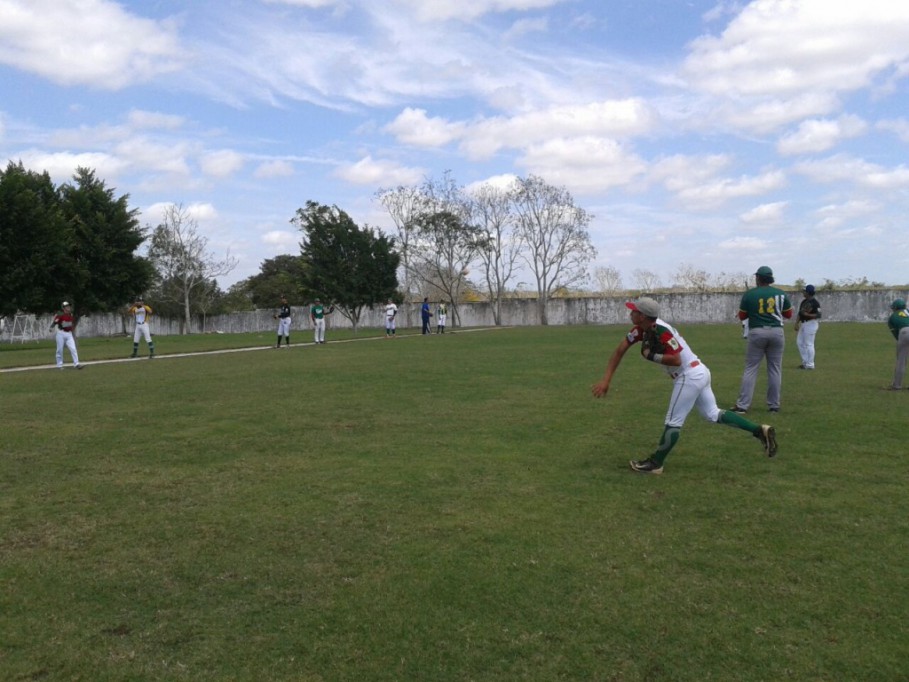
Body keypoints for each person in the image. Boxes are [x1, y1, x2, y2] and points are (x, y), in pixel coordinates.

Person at [591, 297, 777, 474]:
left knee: (673, 421)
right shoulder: (641, 329)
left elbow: (676, 359)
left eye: (634, 311)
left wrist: (651, 356)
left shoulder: (661, 331)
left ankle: (656, 463)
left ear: (643, 316)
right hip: (699, 371)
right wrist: (606, 380)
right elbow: (620, 350)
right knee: (712, 414)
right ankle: (759, 431)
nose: (630, 313)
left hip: (689, 375)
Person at [732, 266, 793, 414]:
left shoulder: (750, 294)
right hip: (777, 332)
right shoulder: (780, 294)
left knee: (751, 369)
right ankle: (774, 405)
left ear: (758, 278)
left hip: (757, 331)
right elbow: (789, 314)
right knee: (775, 369)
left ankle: (742, 405)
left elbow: (742, 316)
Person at [49, 301, 84, 370]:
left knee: (73, 348)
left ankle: (76, 364)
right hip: (61, 333)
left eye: (69, 306)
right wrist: (51, 327)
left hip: (69, 334)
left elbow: (69, 324)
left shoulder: (70, 314)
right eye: (67, 306)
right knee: (59, 349)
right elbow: (55, 322)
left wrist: (67, 325)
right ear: (63, 308)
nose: (69, 307)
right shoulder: (60, 314)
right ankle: (59, 365)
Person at [885, 298, 909, 390]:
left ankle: (897, 385)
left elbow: (895, 333)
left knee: (901, 361)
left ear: (895, 307)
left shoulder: (892, 317)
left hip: (904, 333)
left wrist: (900, 342)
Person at [795, 284, 820, 369]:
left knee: (809, 344)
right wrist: (796, 323)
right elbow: (800, 313)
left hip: (811, 323)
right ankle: (805, 362)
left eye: (804, 291)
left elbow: (818, 315)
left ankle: (810, 364)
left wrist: (808, 315)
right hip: (804, 323)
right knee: (799, 342)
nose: (803, 292)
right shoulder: (804, 301)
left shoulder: (815, 303)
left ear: (808, 292)